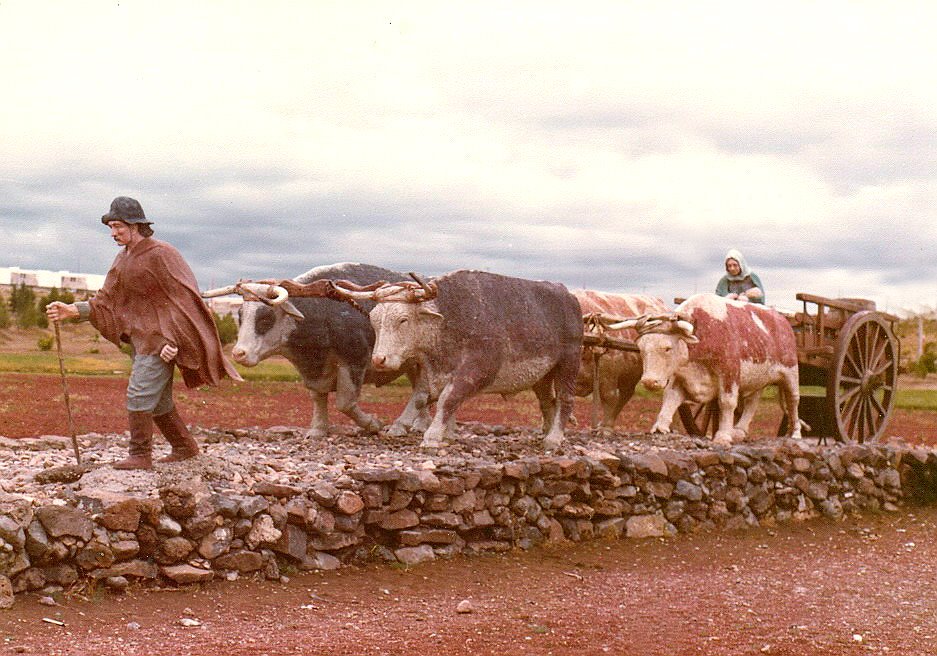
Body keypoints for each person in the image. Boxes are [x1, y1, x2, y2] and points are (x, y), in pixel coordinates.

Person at [46, 196, 241, 470]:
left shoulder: (162, 253)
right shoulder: (123, 257)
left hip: (161, 342)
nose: (113, 233)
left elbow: (184, 298)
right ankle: (184, 447)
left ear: (135, 225)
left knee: (139, 392)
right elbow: (107, 299)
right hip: (142, 338)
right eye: (111, 227)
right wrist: (73, 310)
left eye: (118, 227)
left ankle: (140, 455)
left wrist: (175, 339)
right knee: (158, 400)